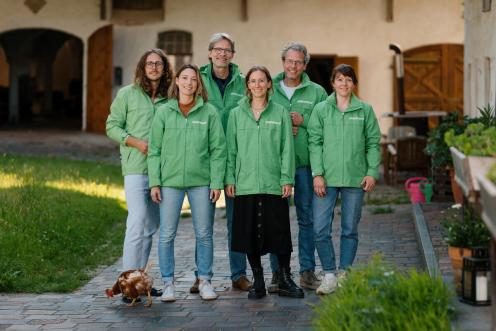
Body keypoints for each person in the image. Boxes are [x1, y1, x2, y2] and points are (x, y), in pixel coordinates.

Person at [148, 64, 226, 302]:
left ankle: (204, 280)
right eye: (185, 78)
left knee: (204, 234)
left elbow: (218, 150)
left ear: (198, 85)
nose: (189, 83)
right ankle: (168, 283)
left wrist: (216, 183)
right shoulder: (164, 112)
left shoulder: (209, 112)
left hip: (201, 183)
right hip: (170, 182)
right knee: (167, 235)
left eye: (194, 79)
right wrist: (155, 182)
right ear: (177, 82)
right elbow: (154, 150)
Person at [225, 65, 304, 299]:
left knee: (279, 232)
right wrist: (230, 178)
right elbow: (231, 150)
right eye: (253, 81)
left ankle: (285, 278)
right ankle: (258, 280)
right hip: (245, 183)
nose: (257, 85)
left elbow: (286, 149)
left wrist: (286, 178)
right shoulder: (236, 114)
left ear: (269, 84)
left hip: (273, 182)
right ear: (247, 85)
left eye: (262, 81)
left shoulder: (279, 112)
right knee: (249, 233)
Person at [106, 48, 173, 302]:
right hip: (136, 168)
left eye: (159, 63)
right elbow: (111, 126)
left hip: (164, 172)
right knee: (137, 222)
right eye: (150, 63)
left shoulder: (170, 97)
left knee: (150, 226)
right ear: (142, 67)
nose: (154, 67)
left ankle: (139, 283)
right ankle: (126, 285)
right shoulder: (127, 94)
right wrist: (134, 141)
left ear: (165, 69)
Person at [308, 64, 381, 295]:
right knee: (320, 229)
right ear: (332, 83)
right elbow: (315, 142)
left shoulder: (364, 110)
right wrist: (317, 174)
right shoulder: (321, 109)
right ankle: (329, 274)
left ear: (354, 83)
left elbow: (372, 143)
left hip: (354, 179)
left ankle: (345, 273)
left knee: (349, 229)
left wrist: (371, 172)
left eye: (349, 80)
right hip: (326, 180)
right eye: (340, 79)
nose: (344, 84)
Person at [268, 42, 327, 293]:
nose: (293, 66)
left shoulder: (317, 92)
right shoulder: (268, 87)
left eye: (298, 62)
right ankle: (277, 273)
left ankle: (306, 271)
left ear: (305, 65)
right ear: (283, 62)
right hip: (275, 165)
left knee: (307, 219)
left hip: (305, 165)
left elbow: (328, 126)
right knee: (275, 221)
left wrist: (304, 122)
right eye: (289, 61)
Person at [196, 32, 251, 292]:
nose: (222, 54)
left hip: (237, 160)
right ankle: (201, 275)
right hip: (204, 159)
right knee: (203, 222)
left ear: (232, 54)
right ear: (209, 53)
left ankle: (238, 274)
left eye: (227, 50)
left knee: (236, 221)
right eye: (217, 49)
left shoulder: (243, 83)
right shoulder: (196, 80)